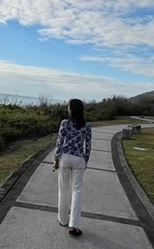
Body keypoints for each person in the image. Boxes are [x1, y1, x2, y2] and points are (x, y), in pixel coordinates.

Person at [53, 98, 92, 237]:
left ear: (72, 109)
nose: (67, 109)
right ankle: (75, 225)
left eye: (68, 107)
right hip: (79, 159)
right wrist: (85, 161)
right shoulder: (87, 125)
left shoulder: (65, 123)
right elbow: (88, 146)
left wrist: (56, 159)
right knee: (77, 191)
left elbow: (59, 142)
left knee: (63, 189)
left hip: (65, 158)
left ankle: (63, 220)